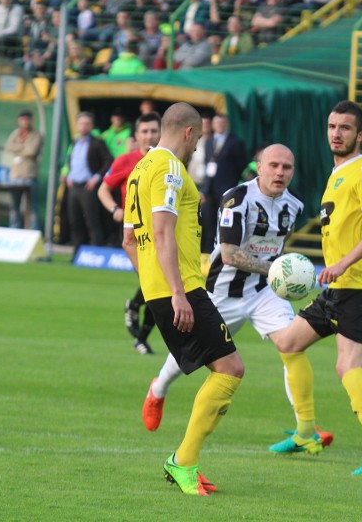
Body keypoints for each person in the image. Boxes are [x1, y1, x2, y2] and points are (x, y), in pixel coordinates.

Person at [140, 144, 333, 447]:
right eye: (273, 165)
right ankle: (158, 389)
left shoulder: (294, 203)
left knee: (291, 345)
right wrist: (276, 269)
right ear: (259, 166)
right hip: (223, 292)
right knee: (189, 354)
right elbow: (229, 254)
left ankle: (306, 430)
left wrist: (282, 277)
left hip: (265, 292)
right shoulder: (237, 198)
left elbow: (277, 249)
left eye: (287, 167)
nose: (280, 172)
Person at [267, 100, 362, 476]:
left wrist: (344, 265)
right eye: (331, 126)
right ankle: (307, 432)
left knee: (348, 366)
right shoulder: (338, 173)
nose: (336, 133)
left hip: (353, 284)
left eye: (344, 128)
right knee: (287, 343)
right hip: (345, 288)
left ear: (360, 135)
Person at [122, 102, 244, 496]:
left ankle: (184, 457)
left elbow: (128, 240)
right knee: (229, 368)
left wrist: (156, 285)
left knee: (225, 366)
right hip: (183, 287)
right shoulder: (171, 168)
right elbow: (161, 233)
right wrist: (176, 291)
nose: (196, 148)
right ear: (189, 132)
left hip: (165, 287)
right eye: (198, 139)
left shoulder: (139, 170)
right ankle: (183, 461)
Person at [97, 112, 162, 354]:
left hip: (163, 231)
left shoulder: (169, 161)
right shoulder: (126, 160)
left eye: (154, 131)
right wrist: (115, 209)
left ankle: (135, 309)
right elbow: (103, 189)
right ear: (136, 136)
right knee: (157, 283)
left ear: (161, 134)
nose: (149, 136)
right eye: (144, 132)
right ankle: (141, 335)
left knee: (157, 284)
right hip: (136, 234)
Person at [61, 111, 113, 253]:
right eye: (81, 123)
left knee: (92, 221)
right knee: (75, 222)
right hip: (74, 186)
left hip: (87, 187)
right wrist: (68, 175)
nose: (83, 126)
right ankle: (77, 254)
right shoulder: (75, 142)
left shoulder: (97, 143)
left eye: (87, 123)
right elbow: (70, 161)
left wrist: (96, 178)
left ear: (91, 126)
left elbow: (108, 161)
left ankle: (97, 253)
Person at [199, 113, 248, 252]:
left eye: (222, 123)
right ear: (213, 125)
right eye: (217, 123)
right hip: (209, 190)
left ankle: (222, 252)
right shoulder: (208, 141)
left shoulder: (236, 142)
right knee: (208, 223)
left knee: (224, 224)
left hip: (226, 189)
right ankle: (207, 254)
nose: (219, 126)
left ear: (226, 124)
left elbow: (241, 165)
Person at [5, 110, 43, 230]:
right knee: (14, 205)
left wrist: (18, 150)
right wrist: (23, 148)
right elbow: (8, 146)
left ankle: (34, 231)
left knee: (32, 206)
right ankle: (14, 228)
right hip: (15, 175)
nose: (25, 122)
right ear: (19, 120)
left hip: (29, 175)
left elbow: (32, 151)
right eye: (23, 119)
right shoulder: (16, 133)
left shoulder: (36, 134)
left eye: (27, 119)